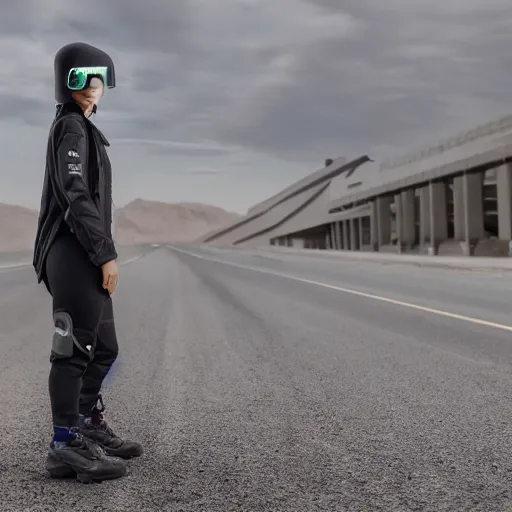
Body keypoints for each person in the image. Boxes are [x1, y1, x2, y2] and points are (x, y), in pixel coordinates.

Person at [33, 42, 142, 483]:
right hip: (73, 250)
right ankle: (64, 443)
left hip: (85, 251)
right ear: (67, 81)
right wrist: (105, 253)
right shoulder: (71, 127)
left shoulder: (84, 127)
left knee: (105, 347)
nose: (93, 86)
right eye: (83, 77)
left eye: (98, 78)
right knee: (74, 350)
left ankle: (85, 427)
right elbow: (74, 193)